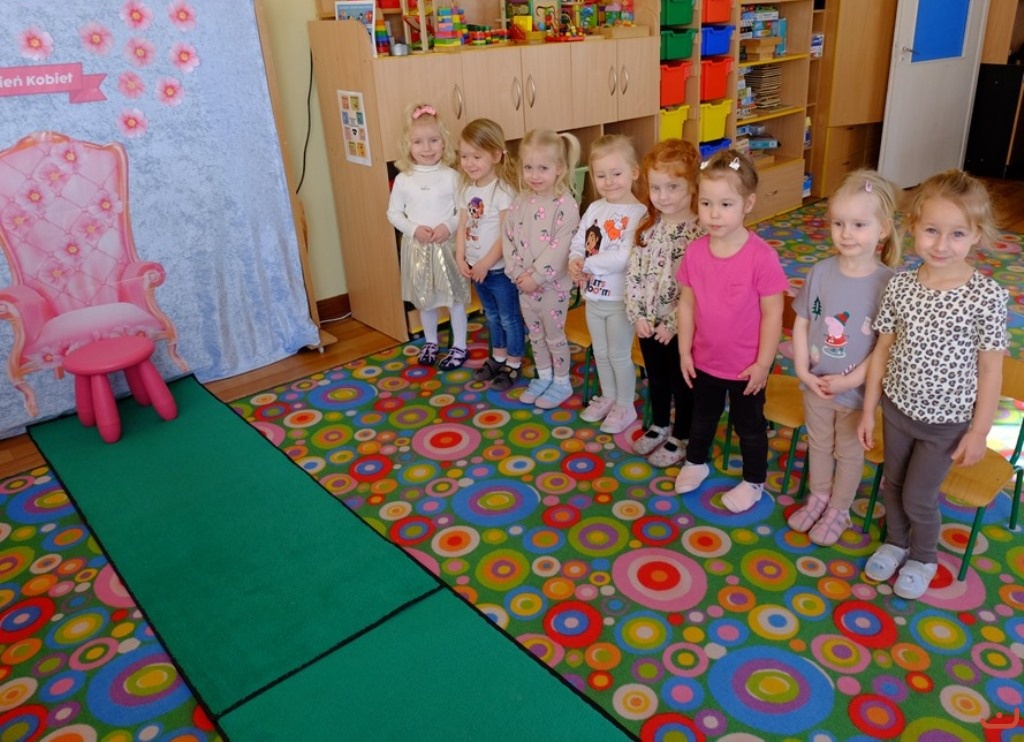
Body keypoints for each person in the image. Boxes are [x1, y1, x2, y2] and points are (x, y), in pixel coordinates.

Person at [858, 169, 1008, 600]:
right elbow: (882, 351)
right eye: (931, 231)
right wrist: (868, 410)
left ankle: (923, 557)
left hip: (947, 424)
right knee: (893, 484)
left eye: (957, 233)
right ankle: (896, 542)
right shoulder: (901, 286)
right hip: (897, 410)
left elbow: (990, 371)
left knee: (919, 496)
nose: (942, 245)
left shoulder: (986, 297)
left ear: (976, 234)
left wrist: (979, 432)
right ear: (913, 227)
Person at [787, 170, 901, 545]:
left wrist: (851, 381)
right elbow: (803, 323)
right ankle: (819, 497)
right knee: (819, 444)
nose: (846, 233)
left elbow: (885, 345)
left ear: (883, 229)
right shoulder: (820, 271)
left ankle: (839, 509)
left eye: (858, 224)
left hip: (856, 394)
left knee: (848, 453)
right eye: (838, 223)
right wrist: (803, 370)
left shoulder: (889, 284)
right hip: (816, 385)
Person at [674, 149, 788, 512]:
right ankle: (696, 461)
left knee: (749, 426)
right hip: (705, 359)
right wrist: (684, 350)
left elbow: (773, 314)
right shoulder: (695, 252)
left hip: (746, 367)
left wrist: (763, 364)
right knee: (701, 416)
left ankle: (754, 480)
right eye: (706, 203)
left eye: (725, 204)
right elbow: (687, 303)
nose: (713, 214)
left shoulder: (761, 257)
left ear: (747, 204)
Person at [625, 138, 706, 467]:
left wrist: (673, 324)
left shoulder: (701, 231)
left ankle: (681, 435)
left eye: (673, 187)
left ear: (693, 185)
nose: (663, 196)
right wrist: (638, 315)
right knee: (656, 378)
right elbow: (634, 273)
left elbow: (700, 289)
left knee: (682, 383)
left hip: (680, 327)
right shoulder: (648, 225)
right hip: (648, 323)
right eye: (656, 187)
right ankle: (659, 424)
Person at [568, 135, 648, 434]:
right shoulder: (594, 208)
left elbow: (624, 256)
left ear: (634, 172)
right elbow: (580, 239)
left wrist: (587, 265)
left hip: (619, 300)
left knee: (618, 354)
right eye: (601, 175)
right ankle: (609, 396)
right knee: (600, 353)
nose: (609, 181)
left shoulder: (639, 213)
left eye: (616, 173)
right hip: (593, 297)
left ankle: (625, 404)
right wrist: (575, 259)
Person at [502, 129, 582, 408]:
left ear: (559, 168)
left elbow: (560, 247)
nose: (534, 175)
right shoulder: (520, 202)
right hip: (524, 285)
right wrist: (516, 273)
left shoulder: (566, 205)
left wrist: (536, 277)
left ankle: (561, 382)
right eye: (529, 168)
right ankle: (544, 376)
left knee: (554, 336)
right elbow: (508, 237)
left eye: (543, 168)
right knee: (535, 335)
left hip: (552, 288)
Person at [386, 102, 469, 369]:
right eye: (418, 142)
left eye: (434, 140)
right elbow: (393, 213)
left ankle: (460, 345)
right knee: (426, 300)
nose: (427, 148)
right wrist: (413, 229)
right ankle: (431, 341)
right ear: (407, 145)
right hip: (418, 249)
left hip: (447, 247)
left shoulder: (452, 176)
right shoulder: (404, 179)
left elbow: (463, 211)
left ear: (444, 143)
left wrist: (448, 226)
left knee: (455, 299)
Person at [454, 118, 524, 392]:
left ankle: (514, 362)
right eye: (464, 156)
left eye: (476, 156)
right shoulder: (466, 188)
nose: (469, 163)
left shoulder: (504, 191)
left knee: (509, 317)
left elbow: (507, 234)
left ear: (496, 156)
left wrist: (485, 262)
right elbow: (463, 225)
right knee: (492, 315)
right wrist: (461, 257)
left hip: (499, 271)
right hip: (477, 269)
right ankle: (498, 357)